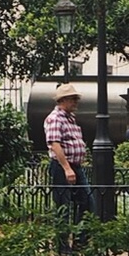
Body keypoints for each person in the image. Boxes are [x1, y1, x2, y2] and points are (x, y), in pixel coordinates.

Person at [43, 86, 89, 223]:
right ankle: (63, 243)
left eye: (77, 99)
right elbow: (55, 144)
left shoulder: (70, 118)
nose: (76, 102)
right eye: (73, 99)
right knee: (63, 207)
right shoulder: (55, 118)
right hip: (62, 167)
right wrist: (67, 168)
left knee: (86, 202)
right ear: (63, 100)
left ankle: (80, 241)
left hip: (75, 166)